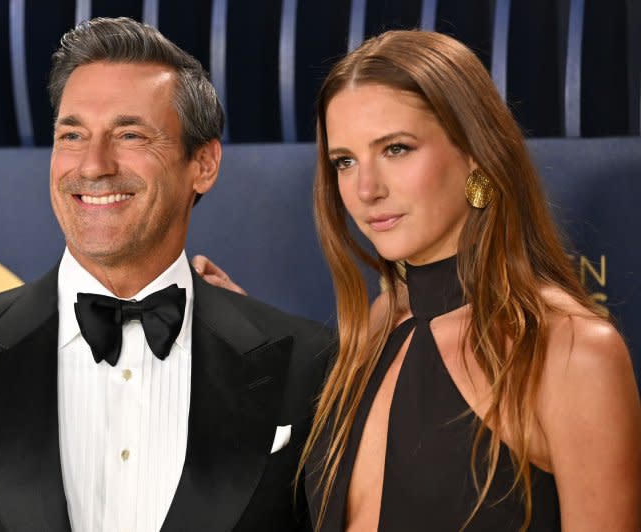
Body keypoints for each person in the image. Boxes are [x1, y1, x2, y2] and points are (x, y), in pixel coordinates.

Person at [0, 17, 333, 532]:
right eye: (73, 134)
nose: (94, 165)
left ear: (204, 164)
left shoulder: (307, 363)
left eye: (129, 133)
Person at [195, 30, 641, 531]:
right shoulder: (379, 326)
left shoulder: (570, 351)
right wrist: (243, 323)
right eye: (345, 161)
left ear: (476, 153)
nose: (366, 189)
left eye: (397, 149)